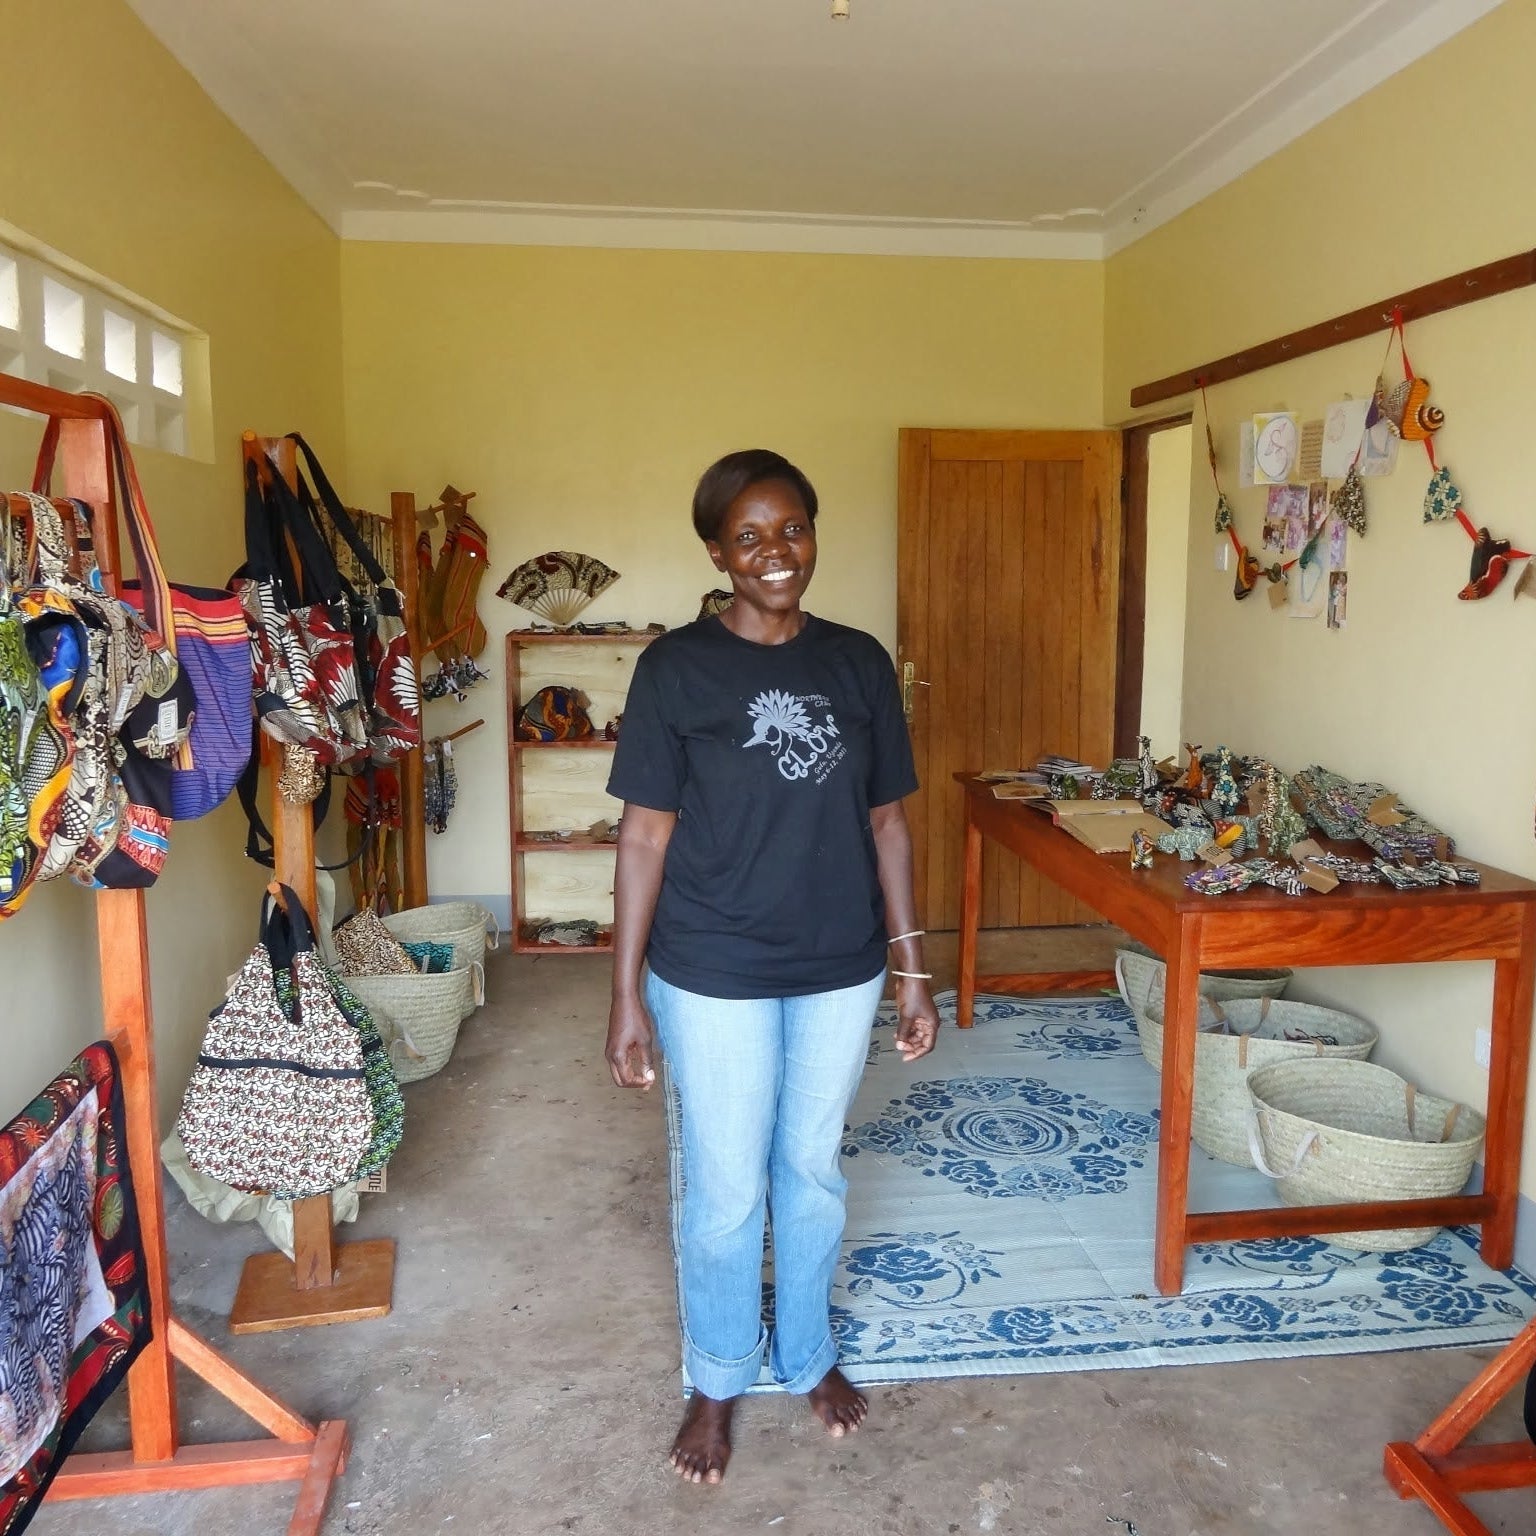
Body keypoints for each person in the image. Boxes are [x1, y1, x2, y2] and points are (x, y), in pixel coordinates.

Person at [605, 448, 941, 1485]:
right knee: (723, 1189)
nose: (774, 553)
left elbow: (887, 821)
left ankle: (807, 1354)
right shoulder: (675, 669)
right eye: (748, 537)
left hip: (840, 963)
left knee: (811, 1172)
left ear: (812, 534)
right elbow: (644, 838)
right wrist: (626, 997)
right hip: (709, 966)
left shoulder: (857, 663)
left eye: (790, 529)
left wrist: (912, 969)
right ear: (718, 550)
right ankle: (716, 1376)